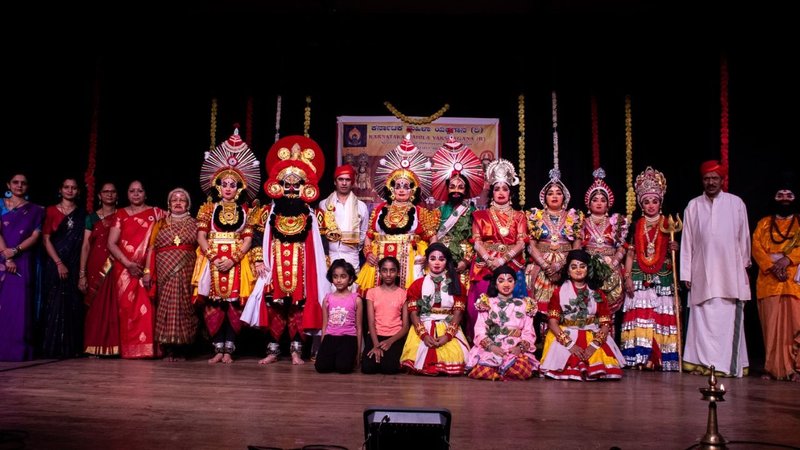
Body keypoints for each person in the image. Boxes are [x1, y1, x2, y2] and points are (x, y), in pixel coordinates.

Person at [241, 135, 327, 365]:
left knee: (299, 308)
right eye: (286, 184)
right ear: (278, 185)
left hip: (302, 266)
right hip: (274, 265)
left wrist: (320, 269)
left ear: (304, 187)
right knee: (275, 308)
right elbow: (258, 236)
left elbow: (322, 243)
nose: (290, 188)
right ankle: (273, 350)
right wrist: (259, 261)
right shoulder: (268, 211)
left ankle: (297, 351)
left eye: (296, 184)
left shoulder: (314, 214)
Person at [194, 128, 259, 364]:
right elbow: (201, 236)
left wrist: (233, 258)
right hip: (211, 259)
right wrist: (213, 257)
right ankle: (217, 347)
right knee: (214, 303)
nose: (228, 188)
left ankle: (229, 349)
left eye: (233, 184)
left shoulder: (246, 211)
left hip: (236, 260)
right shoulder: (208, 209)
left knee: (233, 304)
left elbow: (249, 239)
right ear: (218, 186)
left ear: (239, 188)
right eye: (225, 184)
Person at [681, 160, 751, 377]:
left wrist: (743, 268)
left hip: (730, 274)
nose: (710, 182)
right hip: (701, 273)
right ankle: (702, 364)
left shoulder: (736, 203)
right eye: (706, 178)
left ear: (722, 180)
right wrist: (686, 272)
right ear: (702, 181)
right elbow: (687, 242)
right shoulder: (693, 205)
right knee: (702, 318)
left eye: (715, 178)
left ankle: (725, 366)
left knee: (726, 319)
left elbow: (744, 239)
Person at [355, 133, 438, 292]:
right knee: (373, 298)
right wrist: (368, 253)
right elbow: (369, 236)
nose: (401, 190)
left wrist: (428, 257)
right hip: (379, 259)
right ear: (392, 189)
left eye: (406, 186)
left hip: (411, 260)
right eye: (398, 186)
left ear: (412, 190)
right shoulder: (379, 210)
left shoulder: (419, 212)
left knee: (410, 298)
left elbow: (433, 237)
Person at [621, 167, 680, 371]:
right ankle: (639, 357)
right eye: (646, 201)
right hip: (639, 274)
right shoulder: (636, 225)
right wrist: (627, 277)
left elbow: (675, 251)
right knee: (641, 315)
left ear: (660, 202)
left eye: (654, 201)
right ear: (641, 203)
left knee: (660, 315)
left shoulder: (669, 224)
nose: (651, 205)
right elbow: (630, 253)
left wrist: (675, 247)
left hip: (663, 275)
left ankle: (662, 358)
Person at [539, 249, 625, 380]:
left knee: (598, 358)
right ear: (568, 271)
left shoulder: (598, 293)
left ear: (588, 269)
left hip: (593, 333)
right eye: (573, 267)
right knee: (566, 357)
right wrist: (570, 344)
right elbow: (552, 322)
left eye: (582, 266)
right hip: (566, 333)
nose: (578, 270)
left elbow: (605, 323)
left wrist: (594, 345)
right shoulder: (559, 292)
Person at [468, 159, 528, 342]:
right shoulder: (480, 215)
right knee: (479, 307)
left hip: (511, 265)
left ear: (511, 192)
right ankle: (482, 343)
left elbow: (522, 242)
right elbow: (477, 242)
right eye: (497, 188)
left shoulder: (519, 216)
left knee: (514, 308)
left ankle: (511, 344)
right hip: (485, 266)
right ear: (491, 192)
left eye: (505, 188)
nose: (501, 192)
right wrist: (489, 260)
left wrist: (502, 261)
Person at [107, 180, 165, 359]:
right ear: (127, 194)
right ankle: (130, 350)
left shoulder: (156, 213)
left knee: (147, 308)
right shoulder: (120, 214)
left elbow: (176, 221)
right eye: (132, 191)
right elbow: (111, 243)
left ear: (145, 194)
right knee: (127, 310)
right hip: (125, 269)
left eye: (140, 191)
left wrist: (147, 269)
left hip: (148, 268)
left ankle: (148, 350)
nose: (136, 194)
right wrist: (128, 264)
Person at [751, 177, 800, 381]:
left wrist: (788, 259)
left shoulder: (799, 223)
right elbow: (756, 248)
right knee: (770, 329)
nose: (785, 199)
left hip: (793, 284)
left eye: (789, 195)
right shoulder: (763, 224)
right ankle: (772, 368)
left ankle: (796, 369)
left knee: (795, 327)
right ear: (773, 198)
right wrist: (772, 266)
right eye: (780, 195)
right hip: (769, 283)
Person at [142, 188, 198, 361]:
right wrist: (147, 271)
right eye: (174, 199)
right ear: (169, 203)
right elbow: (151, 248)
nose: (178, 202)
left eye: (182, 199)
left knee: (184, 305)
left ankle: (184, 348)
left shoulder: (196, 223)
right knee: (165, 304)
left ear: (188, 204)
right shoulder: (160, 223)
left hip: (188, 268)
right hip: (163, 267)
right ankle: (169, 349)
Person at [400, 243, 470, 375]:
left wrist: (447, 336)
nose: (437, 263)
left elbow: (458, 314)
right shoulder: (417, 285)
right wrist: (424, 335)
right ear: (427, 262)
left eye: (441, 259)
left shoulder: (456, 284)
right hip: (423, 325)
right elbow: (414, 314)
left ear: (447, 262)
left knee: (454, 356)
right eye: (432, 259)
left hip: (449, 325)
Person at [430, 131, 484, 289]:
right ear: (446, 188)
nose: (456, 190)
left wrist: (466, 261)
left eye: (461, 187)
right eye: (452, 186)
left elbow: (476, 240)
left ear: (466, 190)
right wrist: (436, 258)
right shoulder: (437, 212)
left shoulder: (472, 211)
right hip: (440, 260)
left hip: (463, 261)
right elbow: (433, 238)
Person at [466, 265, 539, 381]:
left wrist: (519, 348)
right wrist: (491, 346)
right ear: (495, 284)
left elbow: (528, 332)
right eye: (501, 281)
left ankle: (502, 372)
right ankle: (499, 372)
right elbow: (480, 329)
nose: (506, 284)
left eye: (510, 281)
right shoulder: (487, 303)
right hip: (493, 345)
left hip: (514, 347)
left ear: (515, 283)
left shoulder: (525, 305)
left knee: (520, 369)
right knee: (483, 370)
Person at [40, 177, 87, 358]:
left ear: (78, 192)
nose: (70, 190)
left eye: (73, 188)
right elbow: (46, 239)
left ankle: (71, 348)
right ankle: (52, 348)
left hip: (74, 264)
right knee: (54, 303)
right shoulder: (50, 211)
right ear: (60, 190)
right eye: (66, 187)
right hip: (55, 263)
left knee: (72, 305)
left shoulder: (83, 214)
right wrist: (59, 263)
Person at [0, 173, 45, 361]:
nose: (19, 186)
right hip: (2, 258)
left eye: (23, 183)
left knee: (19, 306)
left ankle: (17, 351)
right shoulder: (0, 205)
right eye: (16, 182)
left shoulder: (36, 210)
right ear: (8, 184)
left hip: (23, 260)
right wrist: (5, 255)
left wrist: (15, 251)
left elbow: (35, 236)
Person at [527, 169, 584, 314]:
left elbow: (576, 246)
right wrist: (546, 265)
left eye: (558, 193)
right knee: (542, 311)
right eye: (550, 193)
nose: (554, 196)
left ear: (564, 197)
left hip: (566, 266)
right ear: (544, 198)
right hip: (541, 265)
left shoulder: (574, 216)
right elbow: (531, 245)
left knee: (566, 308)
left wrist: (561, 264)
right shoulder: (535, 216)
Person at [581, 168, 628, 314]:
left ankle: (609, 336)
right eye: (595, 200)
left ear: (608, 204)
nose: (599, 203)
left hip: (611, 268)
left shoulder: (617, 221)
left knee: (608, 308)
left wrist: (613, 264)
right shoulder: (581, 222)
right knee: (589, 307)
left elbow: (622, 247)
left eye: (603, 200)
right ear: (588, 204)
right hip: (589, 268)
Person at [80, 182, 119, 356]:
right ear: (99, 196)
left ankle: (114, 347)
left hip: (117, 265)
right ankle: (93, 346)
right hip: (96, 265)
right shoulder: (91, 218)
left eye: (112, 192)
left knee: (114, 306)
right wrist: (82, 274)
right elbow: (86, 246)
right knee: (95, 307)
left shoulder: (122, 215)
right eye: (105, 191)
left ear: (117, 195)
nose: (109, 195)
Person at [361, 256, 409, 374]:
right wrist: (376, 344)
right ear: (380, 272)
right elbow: (371, 323)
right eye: (384, 270)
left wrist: (390, 341)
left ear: (398, 273)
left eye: (392, 270)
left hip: (394, 336)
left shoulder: (403, 294)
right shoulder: (371, 293)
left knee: (390, 369)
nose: (388, 274)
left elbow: (406, 326)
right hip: (375, 335)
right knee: (367, 369)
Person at [319, 164, 369, 275]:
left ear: (353, 183)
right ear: (335, 182)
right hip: (329, 255)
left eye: (347, 180)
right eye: (340, 179)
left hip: (351, 256)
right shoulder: (323, 204)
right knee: (329, 288)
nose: (344, 183)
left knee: (352, 288)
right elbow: (320, 232)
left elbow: (364, 233)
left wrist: (353, 247)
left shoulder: (361, 206)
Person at [315, 259, 363, 374]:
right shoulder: (327, 298)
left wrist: (358, 353)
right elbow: (325, 325)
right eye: (335, 276)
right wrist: (323, 347)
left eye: (343, 276)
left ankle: (343, 359)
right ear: (332, 278)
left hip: (348, 338)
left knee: (344, 368)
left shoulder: (356, 299)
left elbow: (359, 327)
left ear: (350, 279)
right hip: (330, 337)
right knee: (321, 367)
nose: (339, 280)